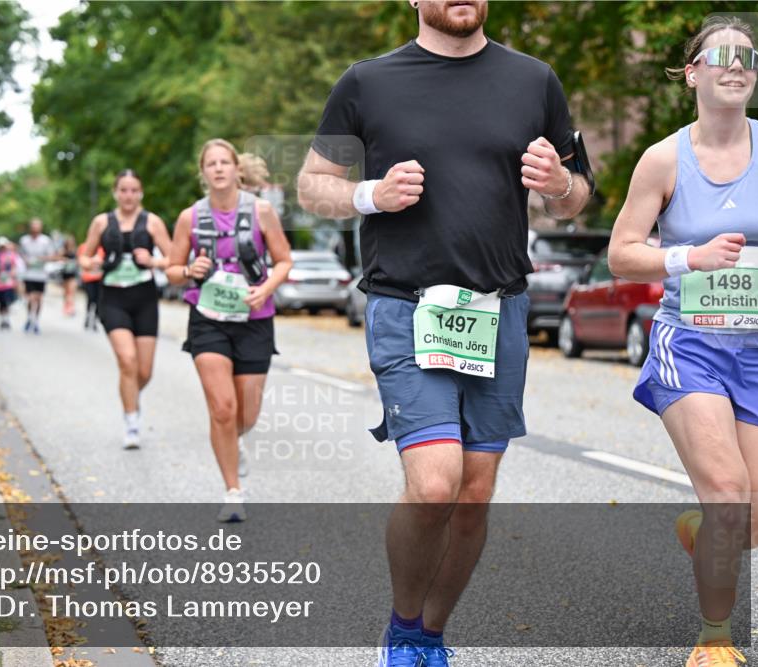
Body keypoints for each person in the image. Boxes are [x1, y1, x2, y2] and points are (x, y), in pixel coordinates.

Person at [296, 1, 591, 664]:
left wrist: (559, 184)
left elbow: (578, 195)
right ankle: (402, 632)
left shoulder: (534, 80)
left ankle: (430, 635)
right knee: (435, 485)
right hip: (407, 305)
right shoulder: (368, 81)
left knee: (474, 494)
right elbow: (313, 186)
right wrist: (371, 194)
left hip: (498, 310)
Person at [608, 16, 758, 667]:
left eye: (748, 57)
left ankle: (706, 531)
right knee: (728, 491)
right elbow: (622, 254)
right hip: (692, 345)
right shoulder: (663, 159)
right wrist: (688, 258)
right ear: (693, 73)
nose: (735, 66)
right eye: (721, 55)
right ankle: (715, 639)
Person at [166, 139, 293, 522]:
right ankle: (233, 491)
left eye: (225, 162)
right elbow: (172, 271)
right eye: (211, 163)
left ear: (237, 169)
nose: (219, 168)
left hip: (254, 318)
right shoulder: (190, 217)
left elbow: (284, 260)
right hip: (208, 318)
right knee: (223, 409)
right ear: (203, 173)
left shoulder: (261, 211)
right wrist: (188, 270)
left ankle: (234, 442)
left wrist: (265, 289)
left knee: (246, 414)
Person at [80, 170, 173, 448]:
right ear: (115, 193)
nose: (128, 195)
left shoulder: (152, 222)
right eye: (123, 190)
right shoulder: (101, 222)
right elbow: (84, 256)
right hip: (112, 298)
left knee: (144, 372)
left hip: (144, 299)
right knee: (127, 360)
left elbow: (173, 259)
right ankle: (131, 422)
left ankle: (130, 394)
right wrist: (90, 263)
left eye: (133, 190)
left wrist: (153, 261)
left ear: (141, 193)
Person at [18, 218, 58, 334]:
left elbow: (52, 256)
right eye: (33, 226)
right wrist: (26, 260)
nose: (35, 228)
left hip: (41, 274)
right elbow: (21, 254)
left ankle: (36, 320)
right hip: (29, 274)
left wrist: (41, 259)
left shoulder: (45, 240)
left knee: (39, 298)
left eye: (37, 226)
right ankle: (30, 317)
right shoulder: (24, 240)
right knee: (30, 298)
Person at [0, 237, 20, 331]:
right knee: (1, 303)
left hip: (8, 283)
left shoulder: (11, 255)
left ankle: (6, 319)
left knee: (7, 301)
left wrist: (12, 274)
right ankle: (2, 319)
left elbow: (15, 266)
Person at [78, 240, 104, 331]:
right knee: (91, 298)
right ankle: (88, 316)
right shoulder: (84, 247)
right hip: (88, 278)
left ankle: (94, 320)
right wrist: (90, 265)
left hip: (100, 279)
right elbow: (81, 261)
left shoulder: (102, 248)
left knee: (98, 300)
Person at [60, 236, 79, 317]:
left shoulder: (76, 251)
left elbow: (79, 260)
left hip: (73, 273)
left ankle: (71, 307)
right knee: (66, 292)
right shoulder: (63, 251)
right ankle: (66, 306)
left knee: (72, 291)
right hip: (65, 273)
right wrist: (64, 260)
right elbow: (58, 258)